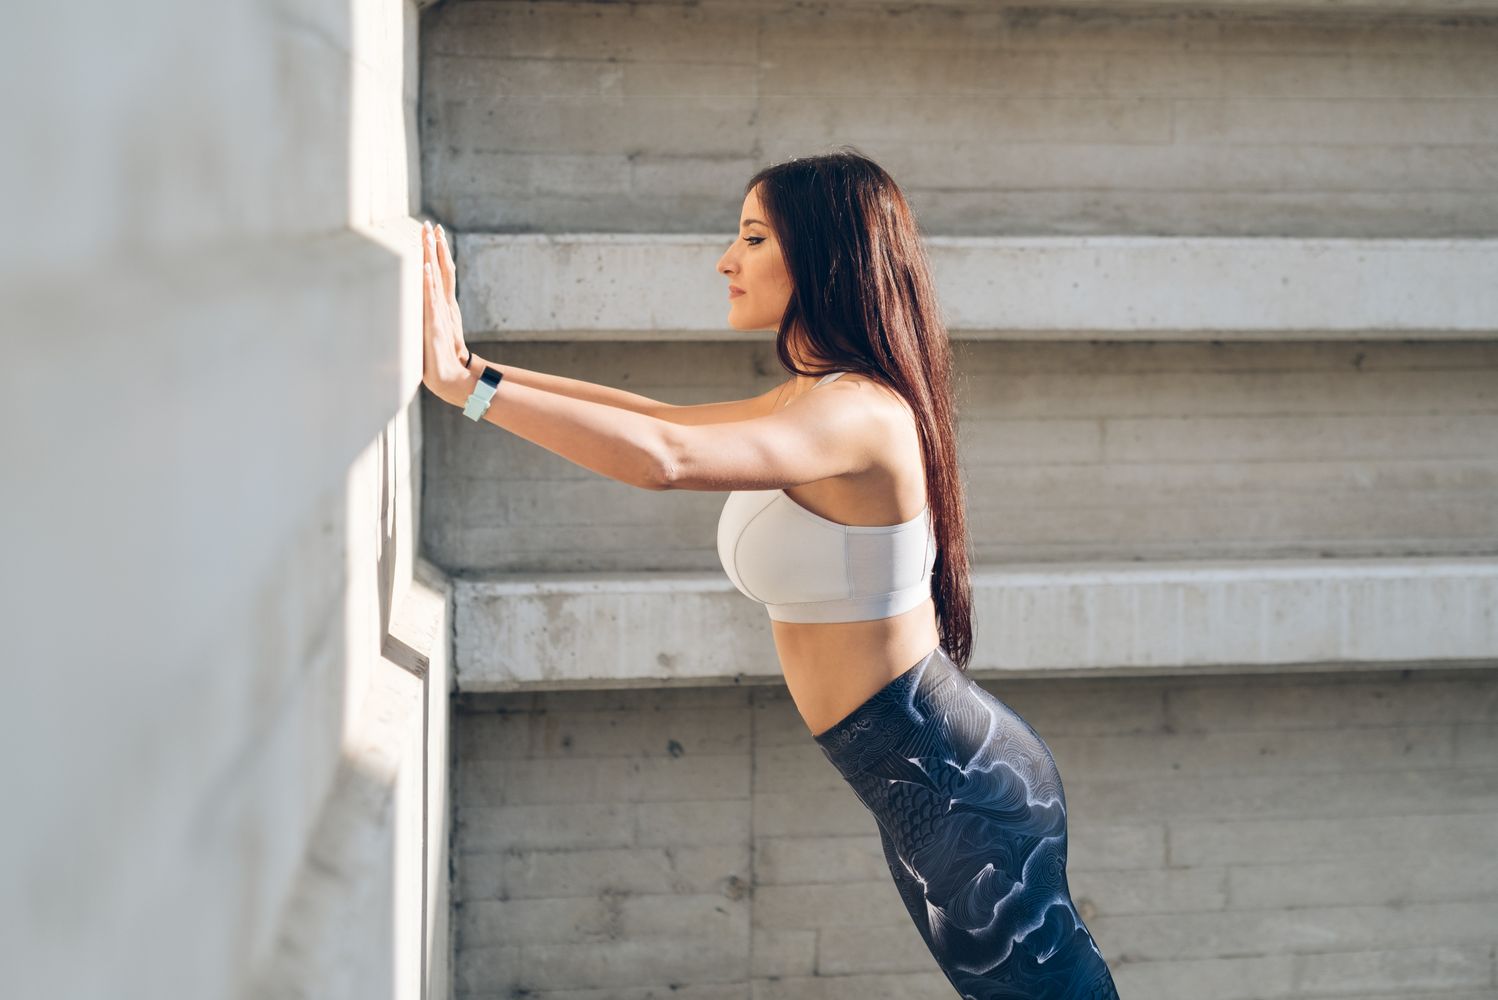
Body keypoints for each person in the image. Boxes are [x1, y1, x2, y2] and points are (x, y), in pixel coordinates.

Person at [420, 147, 1120, 1000]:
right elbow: (656, 418)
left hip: (960, 786)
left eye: (752, 238)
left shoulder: (856, 414)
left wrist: (469, 390)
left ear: (825, 258)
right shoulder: (817, 395)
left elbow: (665, 458)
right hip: (924, 782)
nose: (726, 259)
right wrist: (470, 371)